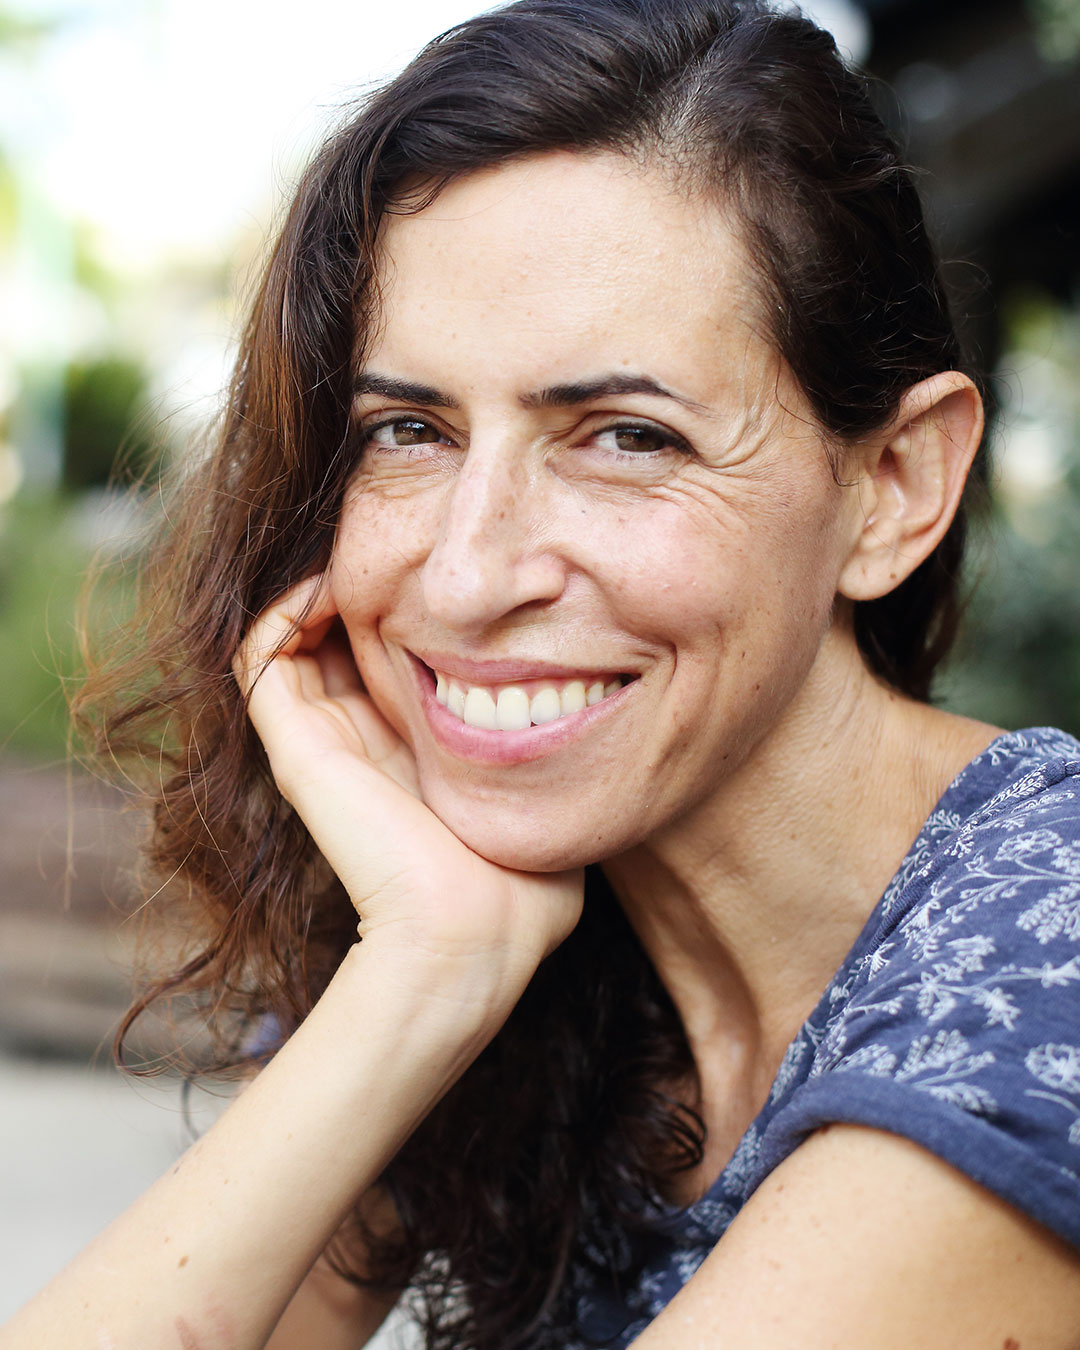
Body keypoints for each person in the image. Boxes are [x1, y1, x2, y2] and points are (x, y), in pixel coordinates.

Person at [6, 1, 1080, 1346]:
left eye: (627, 437)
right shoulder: (547, 939)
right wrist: (426, 971)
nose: (466, 576)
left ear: (896, 485)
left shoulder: (1049, 953)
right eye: (407, 429)